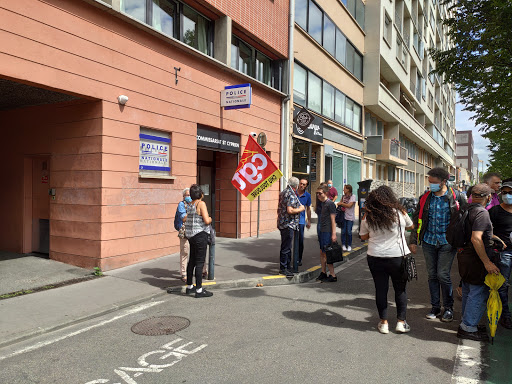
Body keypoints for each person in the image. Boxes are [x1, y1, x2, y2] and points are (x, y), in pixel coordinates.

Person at [410, 167, 467, 322]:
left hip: (447, 242)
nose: (431, 185)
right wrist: (413, 240)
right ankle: (435, 307)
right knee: (432, 275)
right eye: (429, 182)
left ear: (444, 181)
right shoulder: (425, 198)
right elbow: (417, 220)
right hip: (428, 240)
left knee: (443, 275)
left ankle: (448, 308)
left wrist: (463, 242)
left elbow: (465, 219)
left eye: (434, 182)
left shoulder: (457, 197)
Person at [360, 186, 414, 334]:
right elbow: (411, 227)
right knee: (400, 289)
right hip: (397, 256)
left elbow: (363, 236)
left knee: (381, 289)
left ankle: (383, 323)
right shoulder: (399, 213)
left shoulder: (368, 216)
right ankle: (401, 323)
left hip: (375, 256)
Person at [457, 184, 503, 341]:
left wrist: (495, 238)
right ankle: (468, 327)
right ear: (489, 197)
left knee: (469, 290)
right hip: (476, 258)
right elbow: (476, 238)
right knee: (478, 292)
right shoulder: (482, 213)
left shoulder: (466, 208)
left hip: (464, 255)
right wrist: (487, 263)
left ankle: (466, 322)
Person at [489, 178, 512, 329]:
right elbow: (486, 232)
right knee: (503, 285)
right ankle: (506, 316)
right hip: (504, 253)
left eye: (510, 192)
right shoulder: (495, 211)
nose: (507, 195)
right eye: (504, 192)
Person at [184, 184, 213, 298]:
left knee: (192, 261)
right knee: (200, 262)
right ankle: (199, 290)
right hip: (200, 235)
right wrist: (210, 218)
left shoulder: (190, 204)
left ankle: (189, 286)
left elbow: (186, 218)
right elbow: (206, 220)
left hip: (191, 236)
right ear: (200, 194)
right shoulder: (201, 204)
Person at [277, 177, 305, 277]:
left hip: (282, 222)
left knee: (286, 246)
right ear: (296, 186)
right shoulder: (291, 194)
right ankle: (284, 268)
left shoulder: (284, 192)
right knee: (287, 247)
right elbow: (290, 210)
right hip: (288, 223)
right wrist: (301, 209)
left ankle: (287, 266)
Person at [315, 185, 337, 282]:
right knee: (322, 252)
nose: (318, 195)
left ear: (326, 193)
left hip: (327, 231)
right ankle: (323, 272)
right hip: (321, 230)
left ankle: (333, 275)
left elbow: (333, 220)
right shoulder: (321, 203)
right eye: (317, 193)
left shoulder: (330, 204)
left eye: (320, 193)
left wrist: (334, 234)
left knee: (327, 252)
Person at [175, 188, 192, 282]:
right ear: (184, 196)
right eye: (187, 195)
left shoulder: (195, 203)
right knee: (185, 252)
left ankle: (203, 271)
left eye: (190, 195)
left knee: (197, 251)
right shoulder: (181, 204)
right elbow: (183, 218)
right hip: (185, 231)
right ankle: (183, 273)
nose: (189, 197)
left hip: (194, 231)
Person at [294, 179, 312, 267]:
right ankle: (291, 258)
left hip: (301, 221)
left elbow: (308, 208)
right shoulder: (293, 193)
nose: (302, 185)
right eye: (301, 183)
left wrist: (309, 220)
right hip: (291, 220)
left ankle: (298, 258)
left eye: (304, 184)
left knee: (300, 240)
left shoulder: (307, 196)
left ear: (306, 186)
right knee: (291, 240)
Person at [337, 184, 357, 251]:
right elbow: (339, 203)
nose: (343, 190)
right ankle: (343, 244)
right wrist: (340, 203)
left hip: (350, 217)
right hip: (343, 217)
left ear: (348, 189)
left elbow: (349, 205)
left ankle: (349, 245)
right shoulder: (343, 197)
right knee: (343, 232)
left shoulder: (353, 196)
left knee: (349, 232)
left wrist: (341, 204)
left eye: (344, 188)